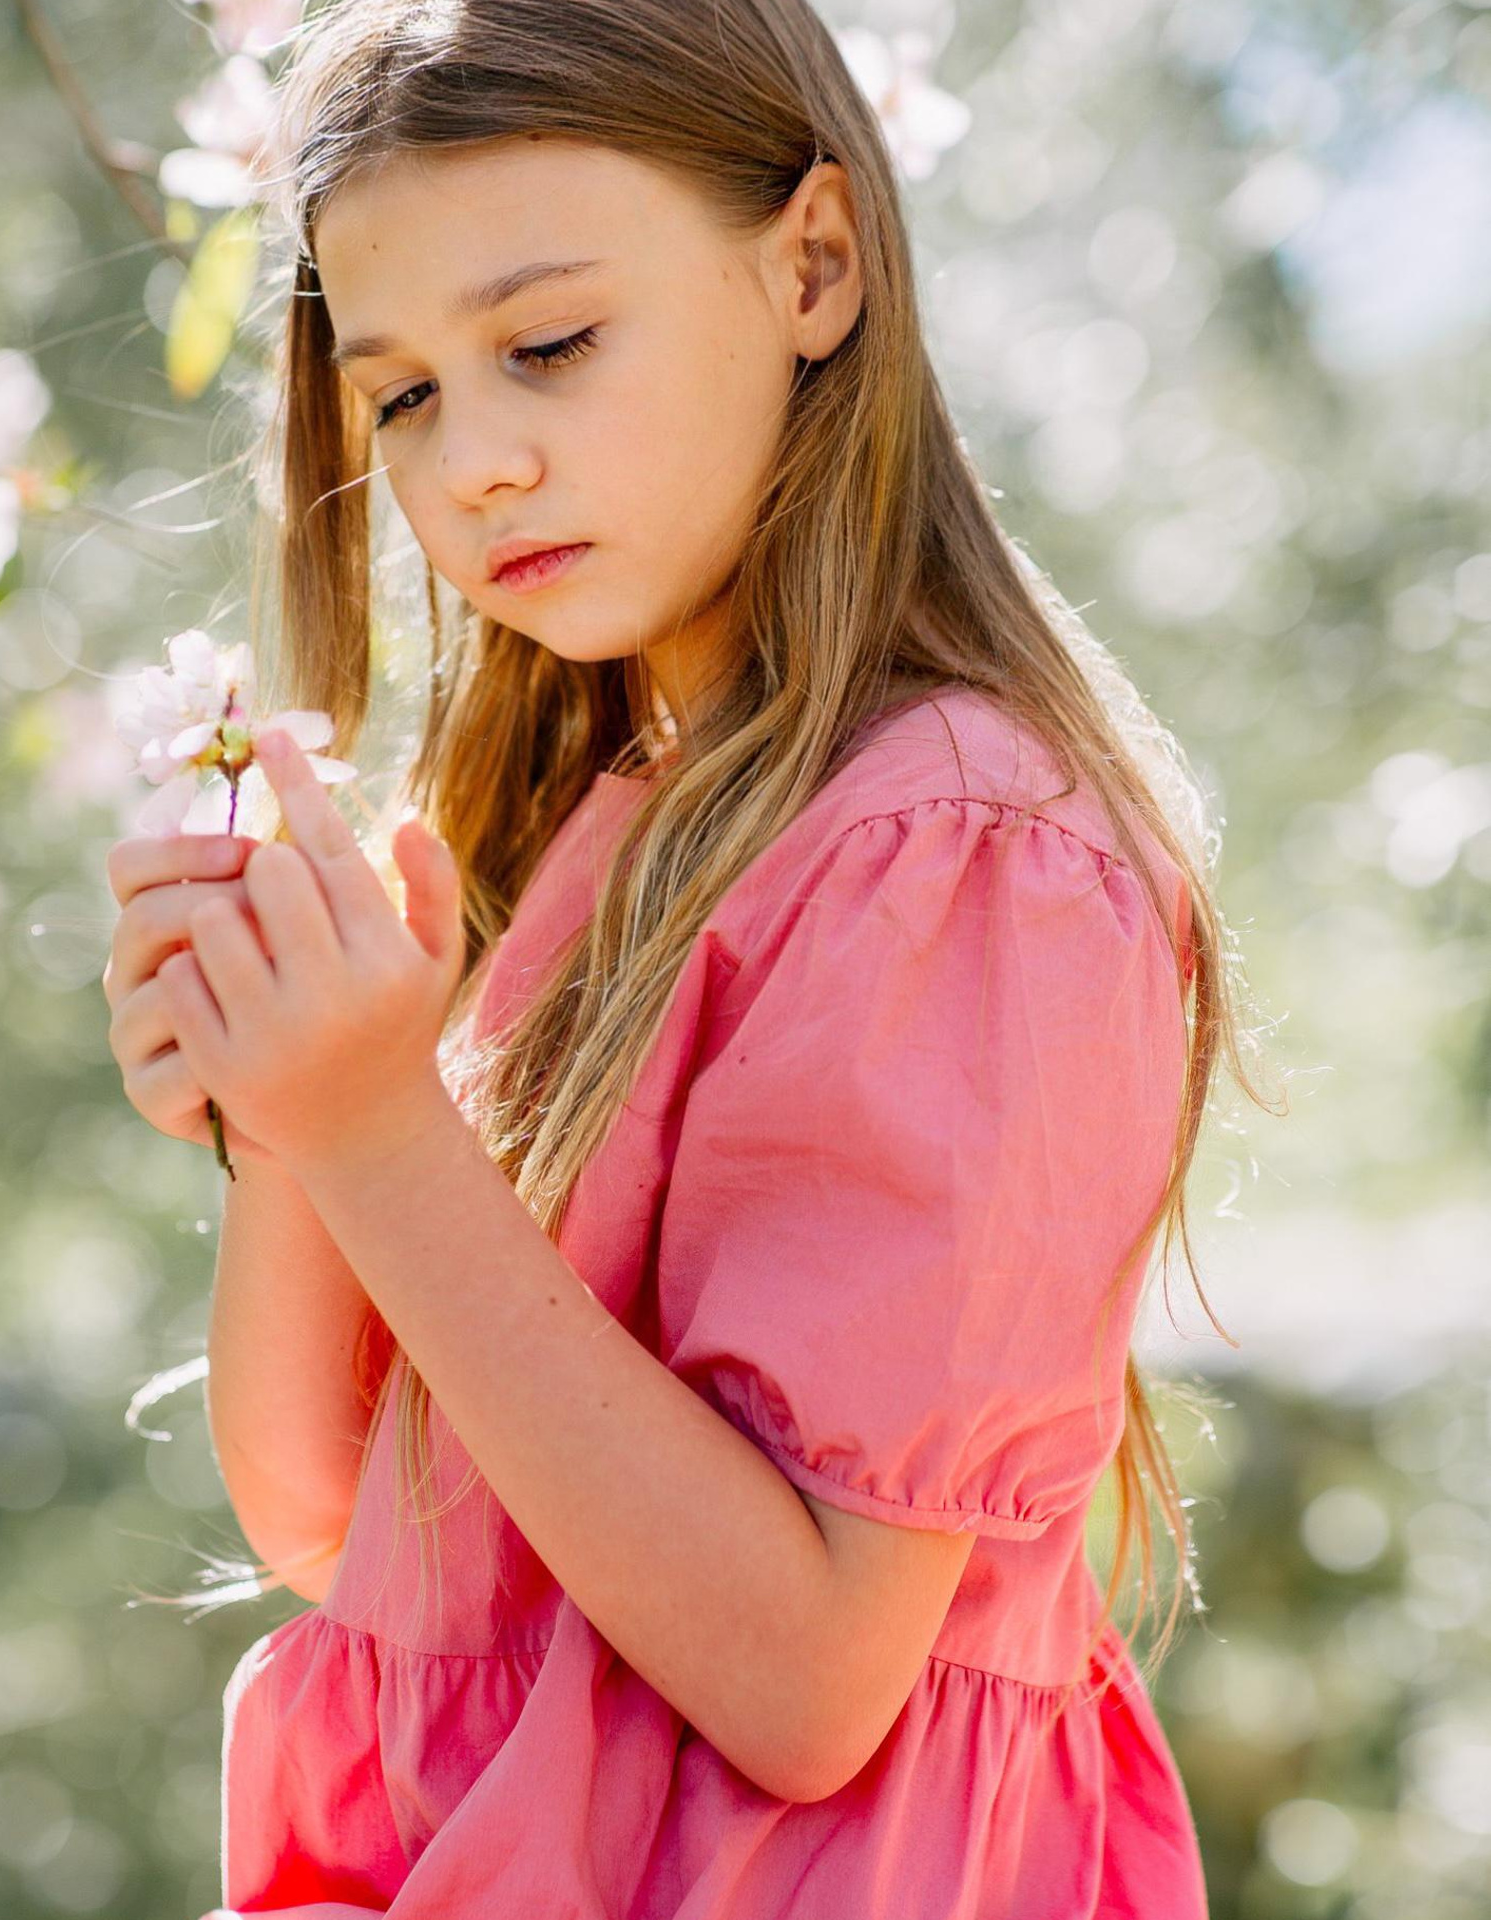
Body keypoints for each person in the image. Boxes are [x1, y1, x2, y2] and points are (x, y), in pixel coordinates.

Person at [101, 1, 1278, 1912]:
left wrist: (385, 1131)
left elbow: (805, 1680)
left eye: (549, 344)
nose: (470, 460)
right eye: (399, 396)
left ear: (814, 264)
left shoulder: (959, 850)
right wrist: (297, 1121)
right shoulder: (601, 828)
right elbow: (341, 1522)